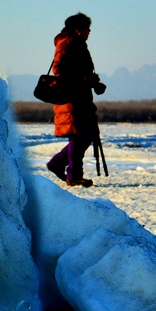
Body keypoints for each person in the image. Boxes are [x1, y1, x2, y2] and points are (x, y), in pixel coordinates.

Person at [46, 12, 106, 187]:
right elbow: (59, 69)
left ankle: (58, 164)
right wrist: (84, 80)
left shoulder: (77, 43)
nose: (89, 31)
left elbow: (80, 71)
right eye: (87, 28)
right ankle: (73, 175)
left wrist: (94, 82)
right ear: (78, 29)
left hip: (79, 97)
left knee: (85, 135)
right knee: (79, 135)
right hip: (71, 99)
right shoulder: (68, 43)